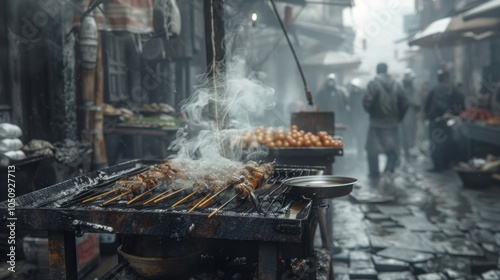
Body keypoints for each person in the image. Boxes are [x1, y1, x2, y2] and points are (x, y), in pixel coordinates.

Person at [363, 63, 409, 178]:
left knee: (372, 151)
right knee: (392, 150)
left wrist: (372, 112)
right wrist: (398, 117)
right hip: (392, 123)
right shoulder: (397, 84)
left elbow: (367, 102)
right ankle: (389, 171)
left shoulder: (373, 83)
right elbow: (405, 103)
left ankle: (374, 175)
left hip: (376, 123)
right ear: (387, 70)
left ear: (377, 70)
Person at [424, 70, 465, 172]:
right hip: (444, 121)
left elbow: (427, 105)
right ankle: (443, 165)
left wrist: (429, 117)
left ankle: (439, 165)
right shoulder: (449, 89)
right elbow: (458, 103)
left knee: (436, 142)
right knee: (445, 142)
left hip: (436, 121)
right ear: (446, 78)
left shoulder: (435, 89)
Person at [399, 69, 420, 160]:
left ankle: (409, 151)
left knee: (410, 133)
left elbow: (417, 102)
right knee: (404, 133)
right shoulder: (400, 87)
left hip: (410, 114)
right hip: (403, 114)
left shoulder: (412, 88)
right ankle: (405, 152)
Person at [347, 78, 368, 159]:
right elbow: (349, 106)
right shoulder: (351, 95)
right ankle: (359, 153)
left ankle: (362, 152)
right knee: (358, 137)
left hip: (363, 118)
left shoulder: (364, 94)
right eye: (354, 87)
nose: (355, 89)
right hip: (355, 119)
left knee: (363, 137)